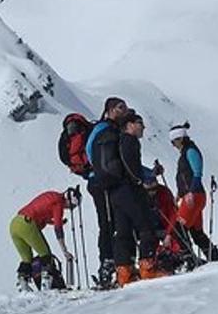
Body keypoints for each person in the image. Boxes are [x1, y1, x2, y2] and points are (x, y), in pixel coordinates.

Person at [109, 110, 167, 284]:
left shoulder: (118, 141)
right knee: (146, 225)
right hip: (130, 190)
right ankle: (147, 267)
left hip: (115, 191)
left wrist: (147, 174)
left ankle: (124, 272)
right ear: (130, 125)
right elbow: (132, 166)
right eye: (140, 123)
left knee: (123, 231)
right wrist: (139, 181)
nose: (143, 127)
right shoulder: (130, 141)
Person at [84, 97, 129, 287]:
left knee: (110, 222)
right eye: (121, 107)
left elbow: (88, 150)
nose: (124, 110)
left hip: (99, 181)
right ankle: (108, 264)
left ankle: (111, 264)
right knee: (108, 223)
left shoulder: (104, 129)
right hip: (104, 182)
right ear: (110, 110)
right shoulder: (104, 129)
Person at [170, 124, 218, 261]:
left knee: (179, 228)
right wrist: (180, 193)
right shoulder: (188, 151)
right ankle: (214, 258)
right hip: (195, 196)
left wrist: (190, 192)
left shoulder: (190, 151)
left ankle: (188, 259)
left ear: (180, 139)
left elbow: (197, 172)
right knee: (196, 231)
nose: (173, 145)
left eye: (174, 141)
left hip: (194, 196)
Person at [10, 187, 79, 290]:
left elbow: (41, 211)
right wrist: (64, 250)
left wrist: (54, 221)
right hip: (27, 224)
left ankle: (23, 282)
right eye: (72, 206)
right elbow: (58, 229)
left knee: (27, 259)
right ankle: (46, 283)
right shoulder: (58, 203)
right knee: (45, 255)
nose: (69, 209)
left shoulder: (52, 195)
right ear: (69, 200)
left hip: (15, 224)